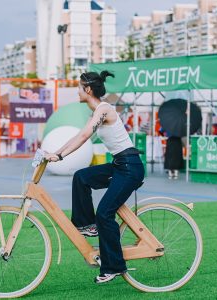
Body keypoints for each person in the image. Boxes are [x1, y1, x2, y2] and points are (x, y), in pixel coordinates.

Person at [45, 71, 144, 284]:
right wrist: (54, 153)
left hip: (130, 167)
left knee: (105, 214)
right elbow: (77, 136)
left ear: (88, 90)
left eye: (79, 87)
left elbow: (83, 137)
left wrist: (60, 156)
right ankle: (86, 225)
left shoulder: (104, 109)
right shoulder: (96, 113)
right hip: (119, 164)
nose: (77, 91)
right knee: (81, 177)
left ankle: (114, 267)